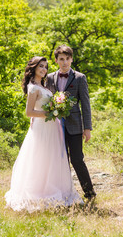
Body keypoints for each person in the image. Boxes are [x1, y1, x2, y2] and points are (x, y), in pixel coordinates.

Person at [5, 56, 82, 213]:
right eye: (41, 66)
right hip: (42, 128)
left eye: (46, 67)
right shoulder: (33, 88)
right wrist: (50, 113)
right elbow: (29, 112)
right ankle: (39, 193)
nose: (44, 70)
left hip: (52, 128)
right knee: (40, 159)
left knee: (52, 160)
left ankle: (54, 189)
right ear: (33, 67)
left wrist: (57, 108)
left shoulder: (44, 86)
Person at [47, 45, 96, 200]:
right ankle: (65, 193)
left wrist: (87, 128)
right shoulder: (49, 78)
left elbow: (86, 104)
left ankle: (89, 192)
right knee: (61, 161)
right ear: (56, 60)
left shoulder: (80, 78)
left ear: (71, 59)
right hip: (55, 127)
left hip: (75, 126)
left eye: (67, 59)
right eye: (61, 59)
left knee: (76, 159)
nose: (65, 62)